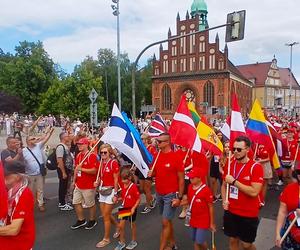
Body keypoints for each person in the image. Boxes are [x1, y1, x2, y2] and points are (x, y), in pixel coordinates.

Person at [221, 136, 264, 250]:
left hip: (248, 213)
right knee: (232, 240)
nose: (235, 152)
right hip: (231, 210)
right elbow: (224, 185)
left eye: (239, 149)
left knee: (246, 245)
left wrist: (234, 182)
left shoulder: (256, 167)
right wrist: (224, 200)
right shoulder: (230, 164)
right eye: (234, 149)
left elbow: (254, 192)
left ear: (248, 149)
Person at [148, 133, 184, 250]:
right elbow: (154, 173)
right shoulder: (157, 156)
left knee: (164, 223)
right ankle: (172, 244)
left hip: (170, 195)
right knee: (167, 221)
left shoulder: (176, 157)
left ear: (167, 142)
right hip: (159, 193)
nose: (157, 143)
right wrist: (151, 173)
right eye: (157, 141)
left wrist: (179, 197)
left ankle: (162, 248)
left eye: (160, 141)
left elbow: (181, 179)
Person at [0, 161, 35, 250]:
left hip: (20, 243)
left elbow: (13, 229)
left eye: (6, 174)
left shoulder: (24, 194)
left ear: (18, 177)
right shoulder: (6, 191)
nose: (3, 176)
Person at [181, 167, 216, 250]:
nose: (190, 179)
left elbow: (211, 207)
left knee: (199, 241)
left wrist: (211, 223)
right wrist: (179, 203)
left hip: (203, 219)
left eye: (193, 177)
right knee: (195, 239)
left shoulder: (206, 190)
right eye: (190, 177)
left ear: (200, 178)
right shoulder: (190, 187)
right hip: (193, 218)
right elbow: (190, 201)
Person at [22, 128, 54, 212]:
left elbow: (46, 139)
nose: (35, 139)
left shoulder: (38, 146)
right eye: (33, 139)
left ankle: (40, 204)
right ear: (28, 141)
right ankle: (31, 204)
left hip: (39, 172)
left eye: (35, 138)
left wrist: (50, 133)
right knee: (30, 191)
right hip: (29, 174)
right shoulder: (23, 151)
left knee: (40, 189)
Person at [95, 143, 120, 248]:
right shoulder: (100, 163)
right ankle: (118, 226)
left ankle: (106, 239)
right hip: (102, 191)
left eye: (105, 152)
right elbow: (101, 177)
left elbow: (116, 179)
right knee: (107, 214)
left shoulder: (113, 163)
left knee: (105, 215)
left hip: (111, 191)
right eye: (101, 152)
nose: (103, 154)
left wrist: (115, 194)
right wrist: (97, 182)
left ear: (110, 153)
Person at [71, 137, 98, 230]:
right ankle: (81, 220)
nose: (79, 145)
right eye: (78, 144)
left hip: (88, 186)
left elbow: (94, 171)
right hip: (79, 184)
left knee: (90, 204)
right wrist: (74, 181)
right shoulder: (78, 156)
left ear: (86, 145)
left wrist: (81, 169)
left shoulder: (92, 156)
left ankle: (92, 220)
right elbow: (76, 169)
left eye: (81, 144)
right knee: (76, 202)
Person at [114, 167, 140, 250]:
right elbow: (124, 197)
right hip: (124, 207)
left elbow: (138, 199)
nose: (122, 181)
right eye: (122, 179)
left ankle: (133, 241)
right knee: (121, 226)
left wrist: (133, 208)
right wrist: (118, 199)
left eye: (124, 179)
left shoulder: (133, 187)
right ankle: (122, 242)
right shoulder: (122, 185)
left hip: (132, 208)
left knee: (132, 225)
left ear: (129, 178)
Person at [275, 166, 300, 249]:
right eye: (299, 172)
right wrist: (278, 233)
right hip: (291, 232)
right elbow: (282, 211)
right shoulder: (290, 188)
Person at [139, 133, 157, 214]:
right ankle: (152, 199)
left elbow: (154, 159)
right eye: (141, 139)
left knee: (147, 188)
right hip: (141, 170)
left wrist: (152, 170)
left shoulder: (151, 148)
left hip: (148, 170)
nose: (141, 140)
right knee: (142, 189)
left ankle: (148, 206)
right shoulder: (141, 149)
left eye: (142, 139)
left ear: (146, 140)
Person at [56, 132, 74, 211]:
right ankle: (62, 203)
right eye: (67, 136)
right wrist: (63, 172)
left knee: (65, 185)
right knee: (62, 186)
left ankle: (64, 201)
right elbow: (59, 160)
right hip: (63, 169)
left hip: (67, 169)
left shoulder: (65, 146)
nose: (69, 137)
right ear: (63, 137)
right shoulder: (60, 147)